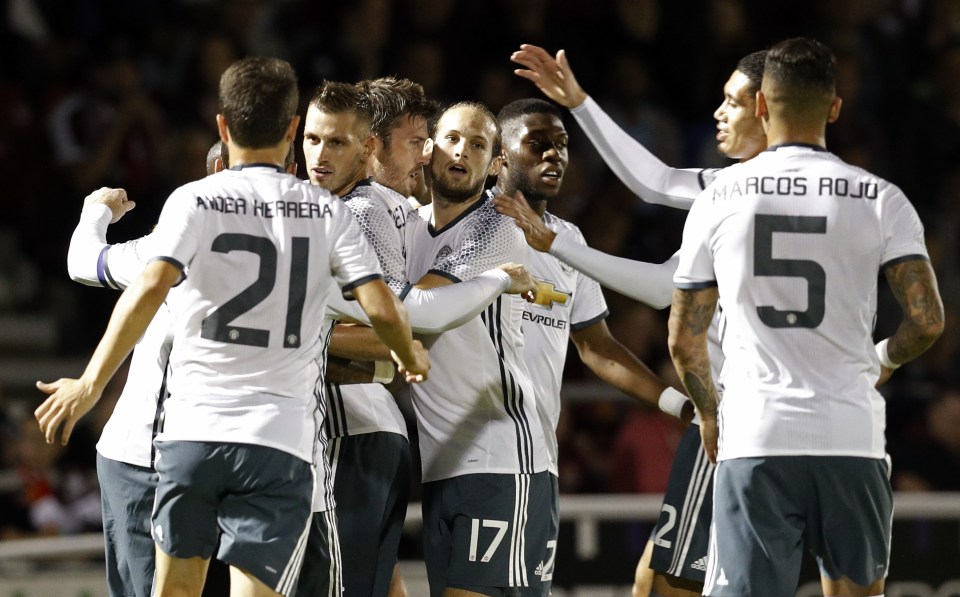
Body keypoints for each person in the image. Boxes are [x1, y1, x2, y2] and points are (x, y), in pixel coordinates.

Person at [36, 57, 430, 597]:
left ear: (223, 126)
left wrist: (90, 384)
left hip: (191, 437)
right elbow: (384, 308)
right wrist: (408, 356)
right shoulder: (326, 213)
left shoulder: (192, 202)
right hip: (277, 439)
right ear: (293, 132)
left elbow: (145, 288)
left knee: (174, 591)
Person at [668, 37, 944, 596]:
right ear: (835, 109)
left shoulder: (719, 199)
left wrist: (709, 413)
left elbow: (683, 338)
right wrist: (882, 359)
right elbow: (928, 320)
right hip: (851, 436)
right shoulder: (879, 198)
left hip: (756, 435)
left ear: (763, 107)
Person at [500, 44, 768, 597]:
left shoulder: (732, 192)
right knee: (679, 577)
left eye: (732, 101)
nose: (718, 112)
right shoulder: (850, 192)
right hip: (808, 418)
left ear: (767, 108)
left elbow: (661, 281)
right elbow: (659, 182)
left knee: (668, 584)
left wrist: (555, 246)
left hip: (735, 415)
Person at [299, 80, 535, 597]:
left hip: (481, 449)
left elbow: (405, 320)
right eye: (422, 140)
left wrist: (298, 337)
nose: (433, 151)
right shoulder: (405, 218)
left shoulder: (376, 211)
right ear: (374, 146)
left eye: (475, 144)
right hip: (426, 451)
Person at [65, 141, 298, 597]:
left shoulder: (180, 237)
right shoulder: (302, 249)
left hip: (178, 459)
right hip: (165, 458)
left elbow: (82, 261)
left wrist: (96, 211)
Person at [489, 97, 690, 596]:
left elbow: (597, 346)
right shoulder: (463, 225)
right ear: (499, 155)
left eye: (561, 145)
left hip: (537, 456)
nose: (555, 155)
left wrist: (678, 404)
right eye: (538, 143)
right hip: (473, 451)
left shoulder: (568, 239)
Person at [402, 101, 551, 597]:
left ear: (496, 165)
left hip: (499, 454)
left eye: (479, 144)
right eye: (451, 138)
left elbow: (418, 310)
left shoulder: (496, 227)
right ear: (428, 148)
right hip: (442, 462)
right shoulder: (404, 226)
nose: (461, 150)